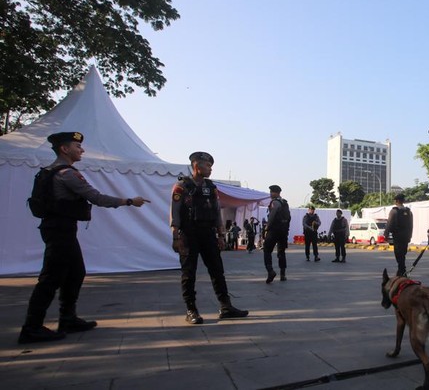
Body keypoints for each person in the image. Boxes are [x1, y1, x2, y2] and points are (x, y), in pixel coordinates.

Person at [18, 132, 151, 344]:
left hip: (60, 229)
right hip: (60, 230)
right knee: (50, 278)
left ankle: (67, 318)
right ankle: (31, 327)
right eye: (77, 146)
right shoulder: (66, 174)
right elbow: (96, 197)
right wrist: (129, 201)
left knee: (75, 272)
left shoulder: (51, 172)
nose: (82, 150)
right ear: (64, 149)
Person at [170, 151, 249, 324]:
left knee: (217, 270)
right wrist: (175, 236)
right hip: (188, 234)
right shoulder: (182, 186)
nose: (210, 169)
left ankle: (226, 307)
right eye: (208, 165)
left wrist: (220, 235)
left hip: (207, 233)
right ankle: (191, 310)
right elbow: (175, 212)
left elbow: (216, 212)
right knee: (189, 273)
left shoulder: (211, 187)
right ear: (197, 166)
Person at [263, 185, 291, 283]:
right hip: (283, 231)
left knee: (267, 250)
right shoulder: (285, 203)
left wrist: (267, 227)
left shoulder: (275, 202)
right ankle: (283, 274)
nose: (270, 194)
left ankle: (270, 271)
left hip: (274, 230)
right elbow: (288, 218)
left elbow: (272, 215)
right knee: (281, 252)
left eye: (272, 192)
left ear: (277, 193)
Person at [385, 194, 413, 276]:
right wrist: (410, 236)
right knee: (403, 254)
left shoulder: (394, 211)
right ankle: (400, 270)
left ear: (397, 201)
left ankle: (402, 271)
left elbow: (389, 223)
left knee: (398, 254)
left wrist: (386, 234)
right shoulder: (409, 211)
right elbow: (411, 225)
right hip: (406, 236)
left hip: (397, 236)